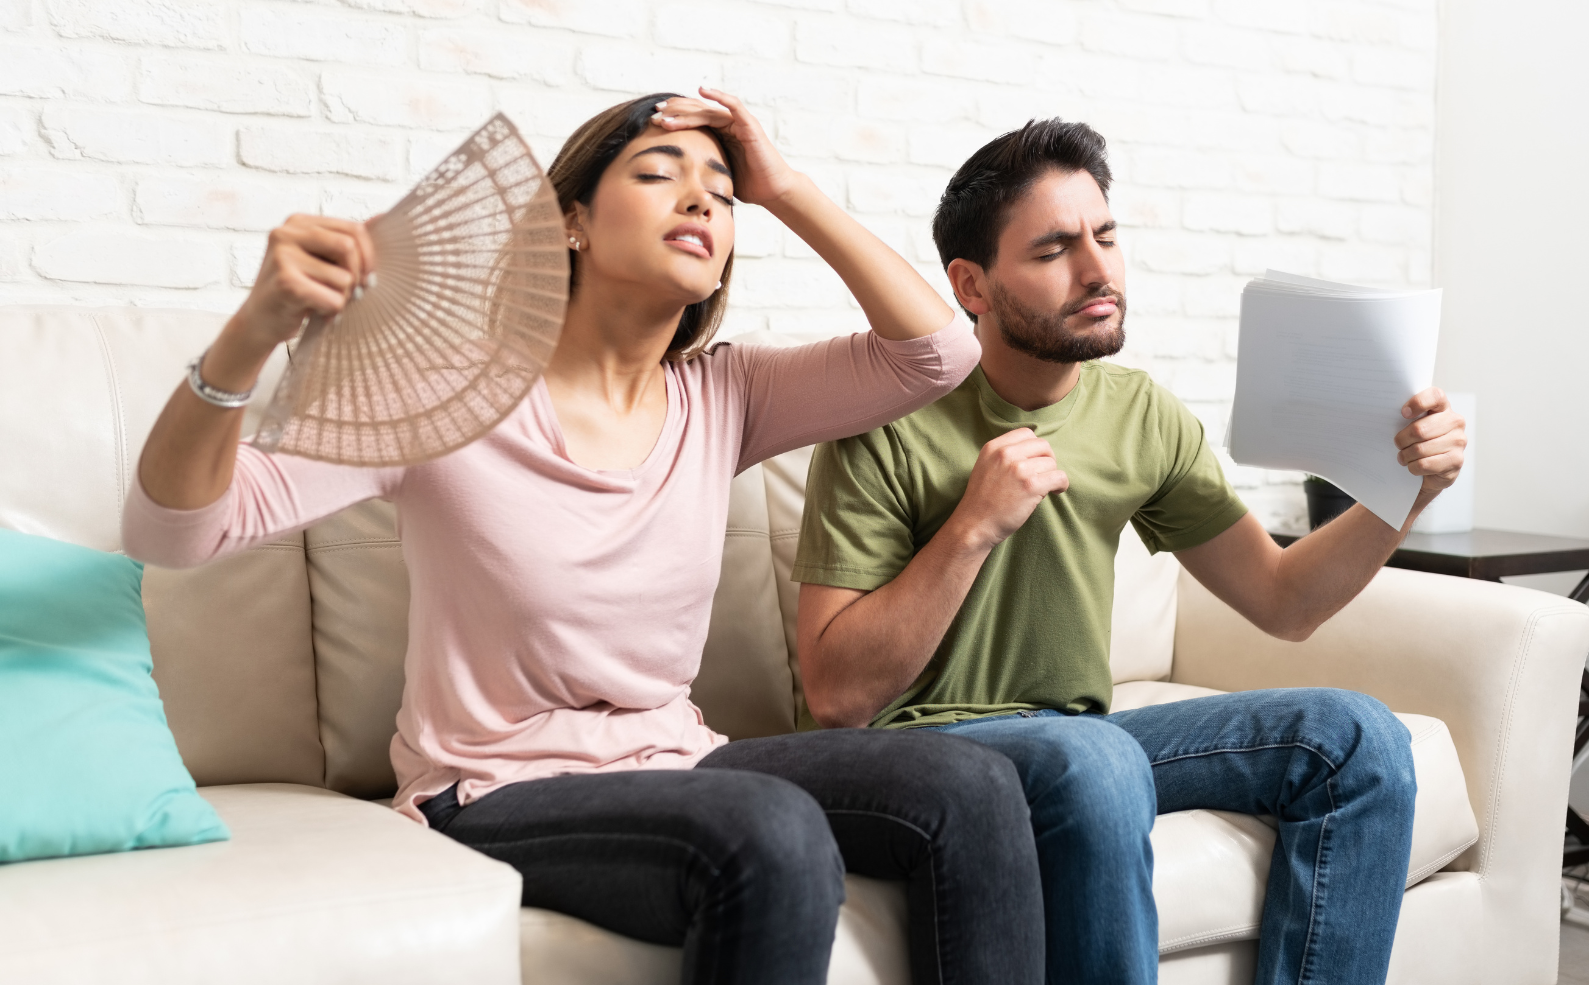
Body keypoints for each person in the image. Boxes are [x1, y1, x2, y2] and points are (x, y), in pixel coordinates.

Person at [123, 90, 1044, 985]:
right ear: (569, 223)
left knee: (968, 785)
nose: (701, 201)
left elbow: (939, 354)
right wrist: (254, 332)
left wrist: (786, 187)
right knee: (766, 825)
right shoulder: (447, 394)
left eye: (723, 197)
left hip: (682, 762)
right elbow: (177, 530)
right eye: (658, 174)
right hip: (492, 790)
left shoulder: (722, 395)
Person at [793, 118, 1469, 985]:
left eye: (1105, 236)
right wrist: (971, 527)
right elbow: (837, 695)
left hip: (1077, 744)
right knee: (1092, 752)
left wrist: (1403, 491)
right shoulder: (881, 418)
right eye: (1053, 250)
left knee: (1357, 740)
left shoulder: (1137, 413)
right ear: (973, 285)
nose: (1098, 270)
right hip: (914, 754)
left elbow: (1282, 600)